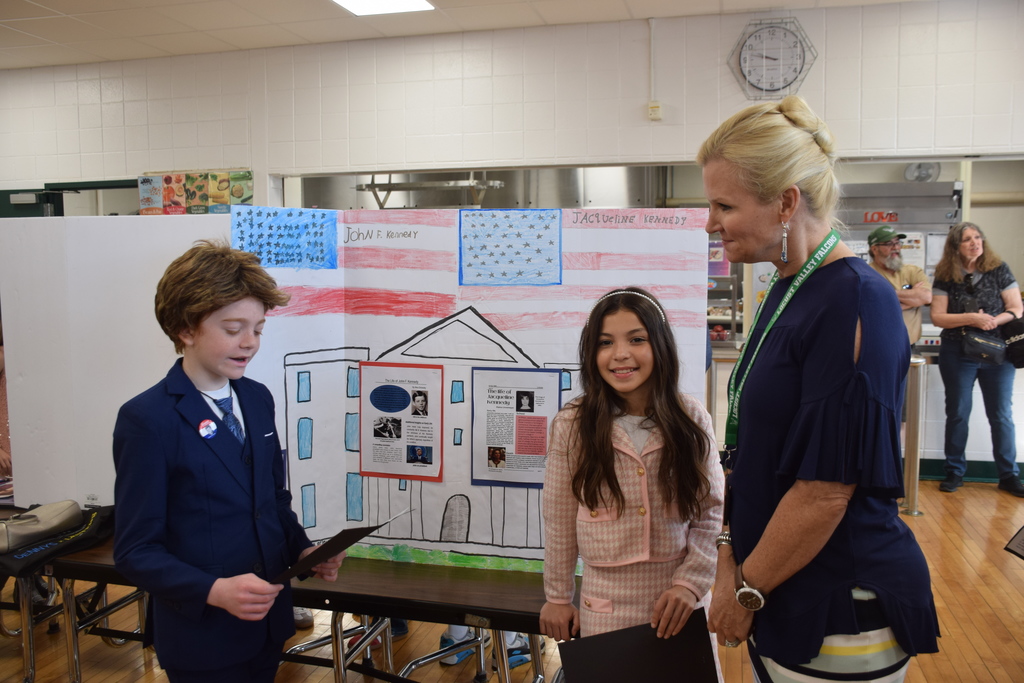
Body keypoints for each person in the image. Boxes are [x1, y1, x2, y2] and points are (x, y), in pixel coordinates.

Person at [698, 96, 939, 682]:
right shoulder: (788, 287)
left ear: (786, 202)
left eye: (723, 205)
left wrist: (746, 590)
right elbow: (756, 452)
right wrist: (730, 554)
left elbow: (826, 492)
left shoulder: (853, 299)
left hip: (835, 603)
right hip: (776, 581)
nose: (709, 222)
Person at [112, 241, 345, 683]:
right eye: (234, 327)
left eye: (258, 328)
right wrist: (214, 591)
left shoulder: (257, 398)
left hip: (269, 622)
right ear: (185, 328)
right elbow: (135, 551)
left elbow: (272, 499)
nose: (250, 343)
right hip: (203, 637)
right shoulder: (147, 419)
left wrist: (304, 549)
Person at [539, 287, 723, 644]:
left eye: (637, 339)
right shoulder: (573, 424)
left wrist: (691, 584)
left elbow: (710, 512)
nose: (620, 355)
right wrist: (558, 596)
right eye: (605, 343)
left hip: (680, 601)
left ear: (660, 345)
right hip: (604, 604)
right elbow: (559, 518)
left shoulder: (690, 417)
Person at [930, 222, 1023, 497]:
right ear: (955, 246)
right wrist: (973, 318)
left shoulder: (999, 269)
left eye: (978, 237)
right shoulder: (945, 274)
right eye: (968, 239)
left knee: (1001, 415)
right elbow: (938, 317)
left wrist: (992, 320)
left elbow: (1016, 308)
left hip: (997, 353)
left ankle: (1008, 476)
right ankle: (954, 472)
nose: (975, 243)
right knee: (958, 413)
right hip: (958, 352)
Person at [866, 225, 932, 346]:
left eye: (897, 242)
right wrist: (911, 299)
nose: (896, 247)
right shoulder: (865, 274)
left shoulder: (913, 271)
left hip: (909, 344)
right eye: (888, 244)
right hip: (878, 344)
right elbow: (872, 307)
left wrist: (887, 295)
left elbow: (926, 297)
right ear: (875, 249)